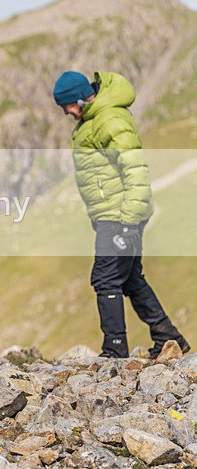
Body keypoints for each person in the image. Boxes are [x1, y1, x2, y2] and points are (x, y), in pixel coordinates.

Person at [53, 70, 189, 359]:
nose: (66, 112)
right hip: (112, 213)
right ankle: (169, 337)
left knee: (106, 279)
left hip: (120, 214)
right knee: (130, 279)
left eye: (67, 105)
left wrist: (128, 222)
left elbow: (135, 169)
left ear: (80, 98)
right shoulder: (94, 120)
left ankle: (114, 351)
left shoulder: (110, 119)